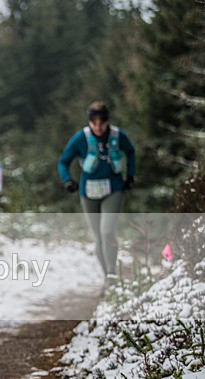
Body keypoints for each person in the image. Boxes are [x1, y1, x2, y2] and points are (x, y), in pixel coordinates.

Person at [58, 101, 136, 293]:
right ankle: (107, 279)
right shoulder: (81, 138)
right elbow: (63, 162)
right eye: (94, 122)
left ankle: (112, 274)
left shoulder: (118, 136)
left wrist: (130, 175)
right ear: (90, 122)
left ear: (107, 121)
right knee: (98, 238)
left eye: (102, 122)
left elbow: (131, 152)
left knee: (107, 231)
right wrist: (68, 180)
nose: (98, 126)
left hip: (114, 189)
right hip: (89, 193)